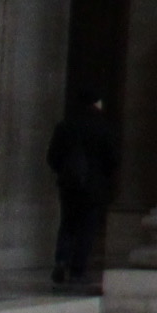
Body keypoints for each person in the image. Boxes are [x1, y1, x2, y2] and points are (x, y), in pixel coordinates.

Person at [47, 94, 119, 285]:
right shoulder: (102, 127)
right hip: (93, 186)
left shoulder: (65, 126)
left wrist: (64, 172)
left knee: (67, 224)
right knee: (87, 228)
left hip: (69, 184)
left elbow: (52, 157)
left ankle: (61, 260)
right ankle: (77, 270)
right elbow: (112, 158)